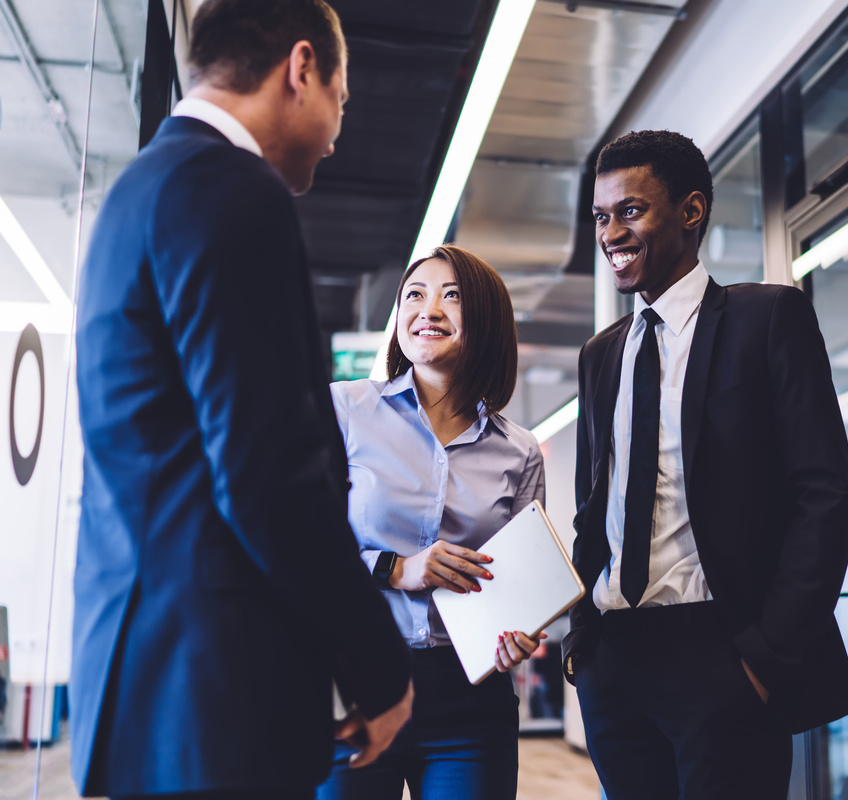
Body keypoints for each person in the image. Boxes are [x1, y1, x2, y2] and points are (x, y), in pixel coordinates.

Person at [71, 2, 413, 799]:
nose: (336, 131)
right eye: (342, 97)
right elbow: (268, 473)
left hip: (150, 683)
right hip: (217, 696)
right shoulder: (231, 189)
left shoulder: (139, 190)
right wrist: (377, 665)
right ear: (300, 69)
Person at [563, 130, 848, 799]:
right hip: (614, 657)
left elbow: (826, 497)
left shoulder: (768, 318)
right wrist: (583, 642)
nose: (611, 232)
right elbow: (595, 508)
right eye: (601, 216)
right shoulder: (602, 354)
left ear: (690, 211)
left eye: (630, 210)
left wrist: (764, 657)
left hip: (720, 653)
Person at [319, 245, 546, 800]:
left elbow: (522, 582)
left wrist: (520, 632)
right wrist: (394, 568)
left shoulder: (520, 452)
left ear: (487, 319)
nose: (429, 310)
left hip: (470, 697)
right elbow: (295, 541)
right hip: (355, 681)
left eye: (452, 296)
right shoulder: (344, 411)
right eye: (414, 296)